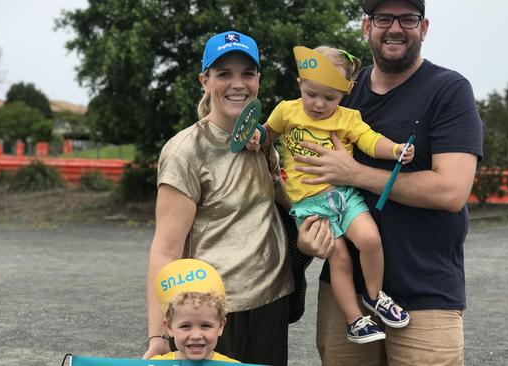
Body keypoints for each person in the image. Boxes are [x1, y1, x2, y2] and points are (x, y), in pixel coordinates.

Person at [295, 0, 484, 364]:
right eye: (383, 18)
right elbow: (300, 167)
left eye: (407, 18)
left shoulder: (449, 91)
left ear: (424, 28)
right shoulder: (341, 90)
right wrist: (308, 231)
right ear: (366, 27)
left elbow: (451, 191)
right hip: (345, 293)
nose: (395, 28)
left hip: (425, 292)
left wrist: (356, 174)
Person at [143, 30, 293, 366]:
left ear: (258, 80)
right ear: (205, 81)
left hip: (272, 302)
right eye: (224, 74)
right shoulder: (185, 151)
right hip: (213, 315)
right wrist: (157, 336)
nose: (237, 84)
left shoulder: (262, 141)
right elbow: (165, 249)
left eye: (247, 74)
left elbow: (283, 204)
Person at [247, 45, 415, 344]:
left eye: (330, 98)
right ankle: (355, 320)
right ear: (300, 83)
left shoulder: (348, 118)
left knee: (370, 239)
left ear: (345, 94)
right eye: (311, 94)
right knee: (338, 257)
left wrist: (394, 150)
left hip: (344, 197)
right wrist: (255, 137)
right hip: (309, 206)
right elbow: (266, 136)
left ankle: (375, 295)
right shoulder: (287, 110)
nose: (319, 104)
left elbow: (369, 140)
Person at [150, 259, 239, 363]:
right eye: (185, 326)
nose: (196, 336)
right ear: (169, 327)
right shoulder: (155, 363)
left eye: (206, 326)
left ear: (221, 326)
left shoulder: (231, 364)